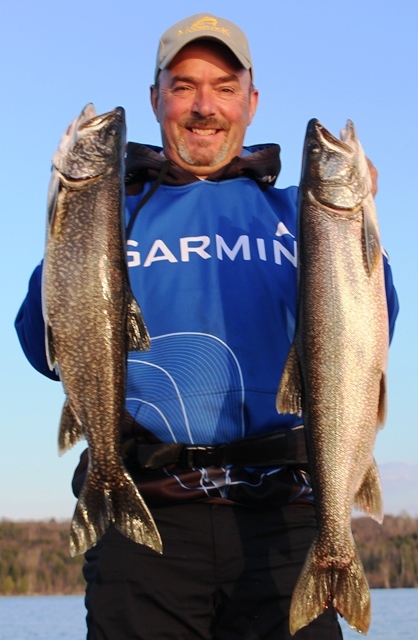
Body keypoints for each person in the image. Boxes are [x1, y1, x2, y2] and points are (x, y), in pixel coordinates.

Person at [15, 13, 399, 640]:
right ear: (155, 99)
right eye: (184, 85)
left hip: (287, 520)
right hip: (147, 523)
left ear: (251, 101)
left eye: (224, 86)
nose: (203, 106)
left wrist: (362, 233)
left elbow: (366, 339)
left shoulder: (299, 213)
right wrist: (69, 225)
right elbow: (42, 346)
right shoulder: (115, 212)